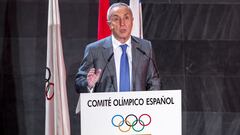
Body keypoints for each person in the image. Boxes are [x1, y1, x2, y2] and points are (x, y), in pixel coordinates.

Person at [75, 2, 160, 93]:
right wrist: (88, 84)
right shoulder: (94, 50)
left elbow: (154, 82)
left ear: (132, 21)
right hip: (106, 106)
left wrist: (150, 104)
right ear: (109, 24)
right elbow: (79, 82)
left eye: (126, 18)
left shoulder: (145, 48)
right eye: (116, 19)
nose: (122, 23)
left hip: (138, 106)